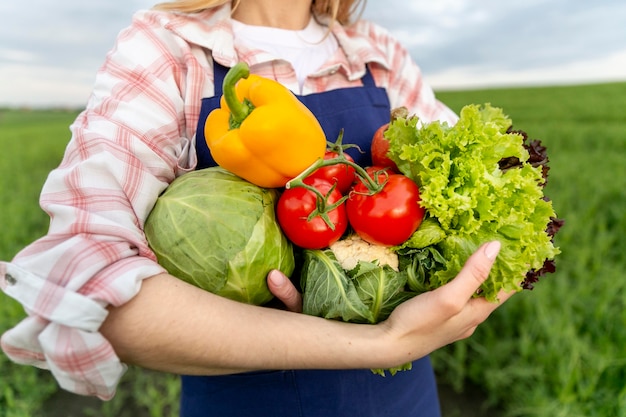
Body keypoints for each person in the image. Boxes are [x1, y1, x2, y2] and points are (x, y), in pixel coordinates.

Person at [0, 0, 515, 416]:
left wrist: (467, 282)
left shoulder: (376, 52)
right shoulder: (168, 47)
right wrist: (380, 343)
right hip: (247, 401)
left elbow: (482, 200)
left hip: (403, 399)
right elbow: (90, 281)